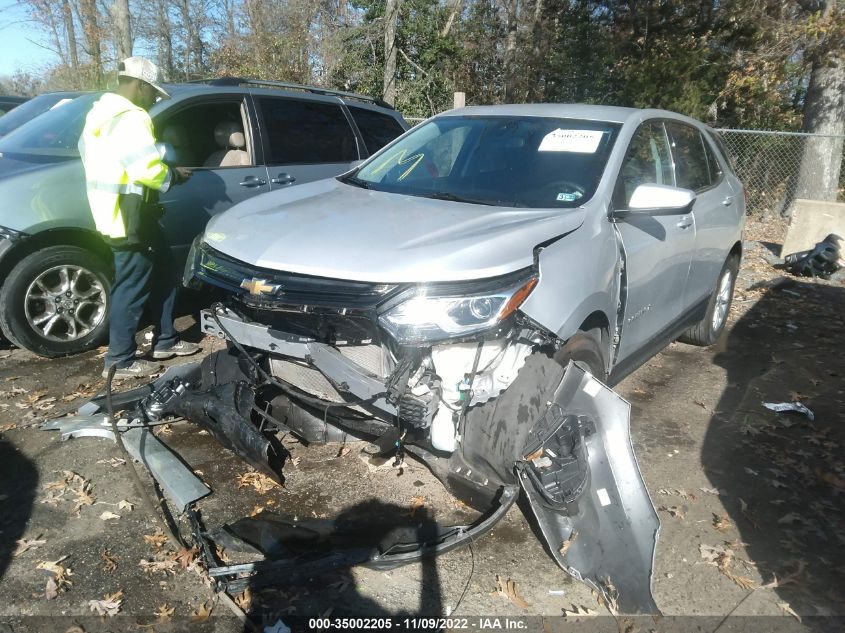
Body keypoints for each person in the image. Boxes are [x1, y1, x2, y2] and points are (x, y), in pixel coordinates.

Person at [79, 56, 200, 378]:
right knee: (131, 285)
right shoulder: (130, 117)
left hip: (119, 211)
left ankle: (165, 340)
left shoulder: (99, 114)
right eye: (153, 93)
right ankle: (119, 360)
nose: (154, 100)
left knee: (164, 272)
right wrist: (172, 175)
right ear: (140, 86)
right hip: (130, 216)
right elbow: (144, 166)